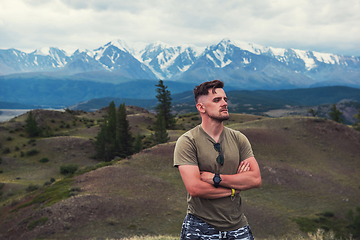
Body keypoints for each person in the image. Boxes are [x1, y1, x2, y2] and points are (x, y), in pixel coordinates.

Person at [173, 80, 261, 240]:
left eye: (225, 99)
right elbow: (195, 189)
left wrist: (216, 178)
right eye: (217, 100)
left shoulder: (239, 139)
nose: (224, 103)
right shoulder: (188, 141)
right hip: (200, 227)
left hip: (238, 226)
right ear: (201, 108)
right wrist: (234, 189)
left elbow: (255, 179)